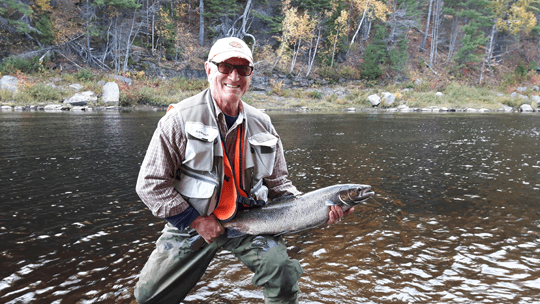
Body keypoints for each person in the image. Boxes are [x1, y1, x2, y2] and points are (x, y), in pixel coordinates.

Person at [134, 37, 353, 304]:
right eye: (225, 67)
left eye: (243, 69)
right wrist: (196, 220)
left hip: (253, 220)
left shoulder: (264, 124)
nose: (234, 76)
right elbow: (150, 183)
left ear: (251, 74)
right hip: (192, 220)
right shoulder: (179, 119)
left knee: (282, 272)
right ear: (209, 69)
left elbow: (280, 184)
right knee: (148, 296)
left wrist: (316, 210)